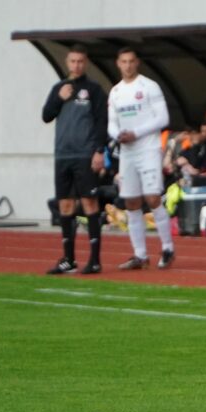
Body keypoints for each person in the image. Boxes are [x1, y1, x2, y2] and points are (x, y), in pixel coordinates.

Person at [41, 44, 109, 275]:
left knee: (90, 204)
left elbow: (102, 122)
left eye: (80, 61)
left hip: (84, 155)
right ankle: (68, 259)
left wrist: (100, 151)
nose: (76, 65)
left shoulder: (94, 90)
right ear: (67, 63)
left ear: (86, 63)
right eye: (73, 61)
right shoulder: (59, 88)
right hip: (63, 155)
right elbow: (46, 115)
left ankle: (95, 259)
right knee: (65, 205)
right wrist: (59, 99)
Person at [107, 47, 174, 270]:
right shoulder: (115, 92)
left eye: (131, 61)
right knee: (131, 202)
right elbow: (111, 122)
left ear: (137, 63)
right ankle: (140, 255)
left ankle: (167, 247)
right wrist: (118, 135)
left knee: (153, 198)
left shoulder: (149, 87)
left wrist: (136, 133)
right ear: (118, 63)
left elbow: (163, 118)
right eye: (123, 61)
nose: (127, 65)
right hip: (127, 152)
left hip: (148, 149)